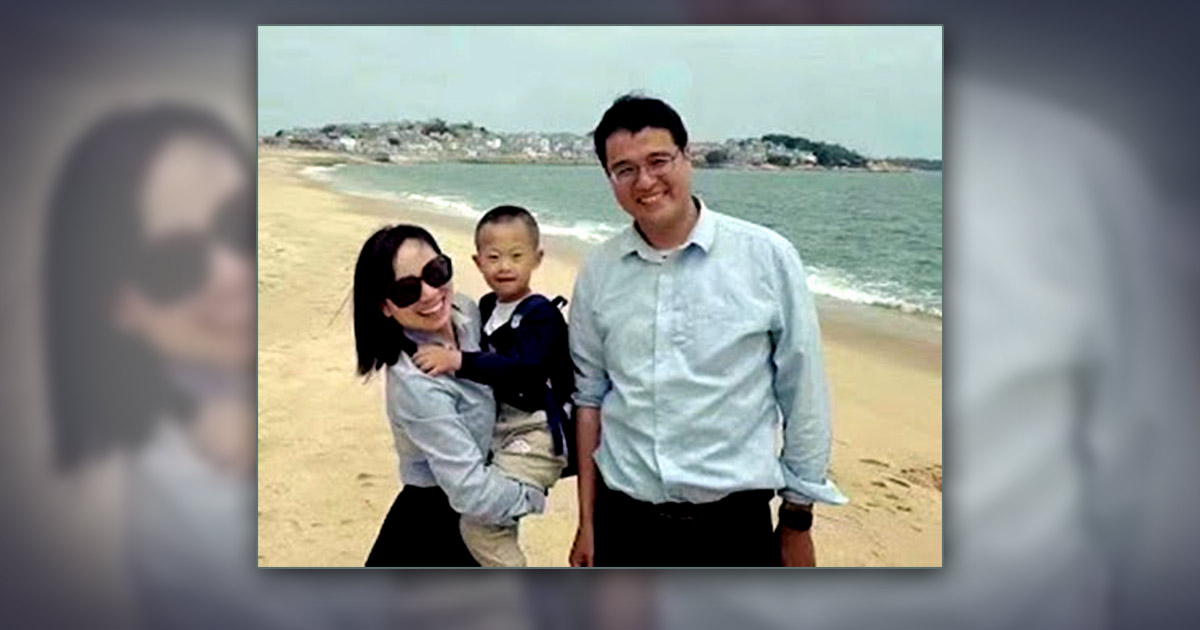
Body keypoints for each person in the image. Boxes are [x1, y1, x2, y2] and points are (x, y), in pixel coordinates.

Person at [567, 94, 847, 568]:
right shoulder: (599, 272)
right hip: (624, 525)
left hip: (733, 531)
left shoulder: (766, 257)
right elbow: (591, 399)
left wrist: (797, 520)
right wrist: (587, 524)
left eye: (659, 161)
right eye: (625, 169)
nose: (646, 181)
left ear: (687, 157)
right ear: (610, 178)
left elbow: (803, 394)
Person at [352, 224, 548, 567]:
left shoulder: (466, 313)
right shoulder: (416, 384)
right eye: (406, 290)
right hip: (436, 528)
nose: (429, 293)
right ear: (385, 306)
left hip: (478, 512)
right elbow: (471, 492)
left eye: (435, 272)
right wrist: (531, 493)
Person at [409, 205, 573, 567]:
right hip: (502, 427)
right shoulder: (483, 307)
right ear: (478, 261)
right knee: (483, 519)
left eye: (517, 256)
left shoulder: (540, 315)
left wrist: (458, 362)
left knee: (481, 526)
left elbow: (526, 372)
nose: (504, 266)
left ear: (537, 258)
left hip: (538, 429)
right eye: (494, 257)